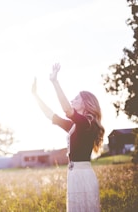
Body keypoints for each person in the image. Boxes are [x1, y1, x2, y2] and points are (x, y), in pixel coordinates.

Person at [31, 63, 104, 212]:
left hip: (83, 175)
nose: (72, 100)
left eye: (76, 99)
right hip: (74, 174)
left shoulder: (87, 123)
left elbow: (67, 109)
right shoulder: (75, 125)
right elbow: (50, 115)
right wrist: (35, 96)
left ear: (85, 103)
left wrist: (55, 82)